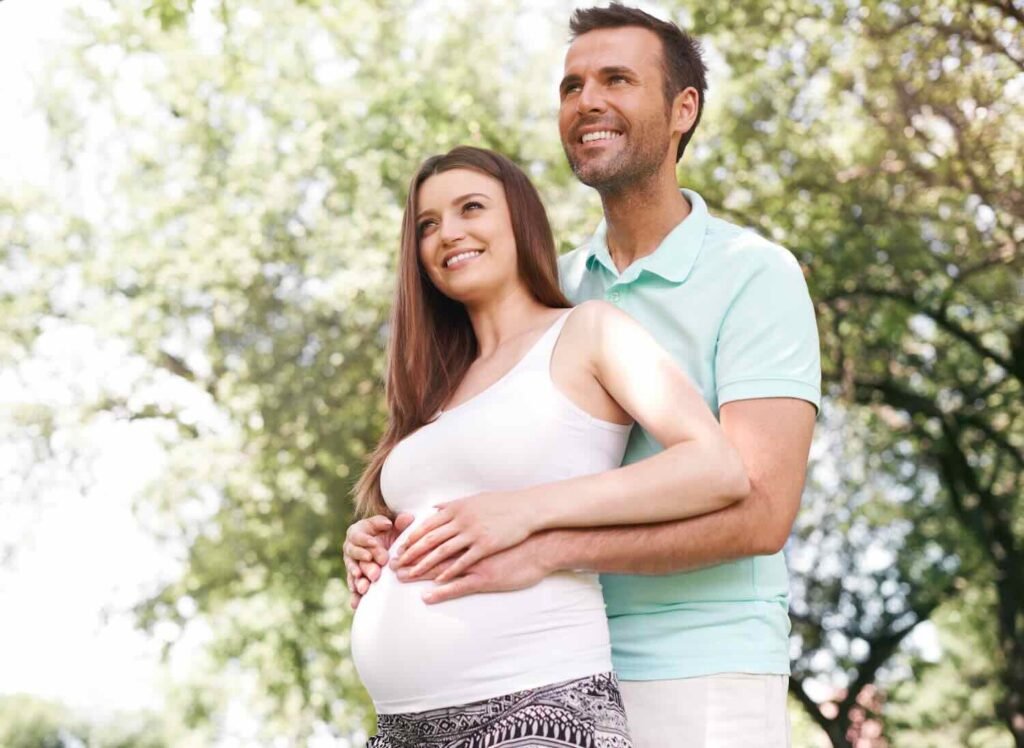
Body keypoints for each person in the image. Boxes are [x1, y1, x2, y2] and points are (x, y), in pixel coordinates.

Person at [346, 5, 821, 747]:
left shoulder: (753, 274)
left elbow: (761, 513)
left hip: (697, 669)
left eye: (617, 79)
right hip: (551, 659)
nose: (587, 101)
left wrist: (545, 544)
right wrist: (396, 537)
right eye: (572, 86)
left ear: (683, 109)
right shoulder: (555, 294)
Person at [348, 145, 751, 748]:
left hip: (537, 710)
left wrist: (524, 509)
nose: (447, 233)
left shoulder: (588, 331)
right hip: (403, 730)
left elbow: (715, 468)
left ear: (520, 220)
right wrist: (375, 543)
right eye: (427, 224)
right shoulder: (434, 388)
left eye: (470, 208)